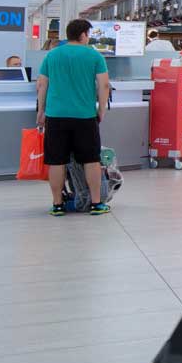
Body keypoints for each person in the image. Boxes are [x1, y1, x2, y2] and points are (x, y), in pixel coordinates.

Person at [36, 19, 111, 216]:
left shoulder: (52, 55)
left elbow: (42, 84)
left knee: (57, 161)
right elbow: (104, 85)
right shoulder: (94, 55)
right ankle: (96, 203)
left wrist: (40, 111)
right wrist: (101, 109)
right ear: (83, 34)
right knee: (91, 160)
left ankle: (57, 205)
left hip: (56, 115)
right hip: (84, 116)